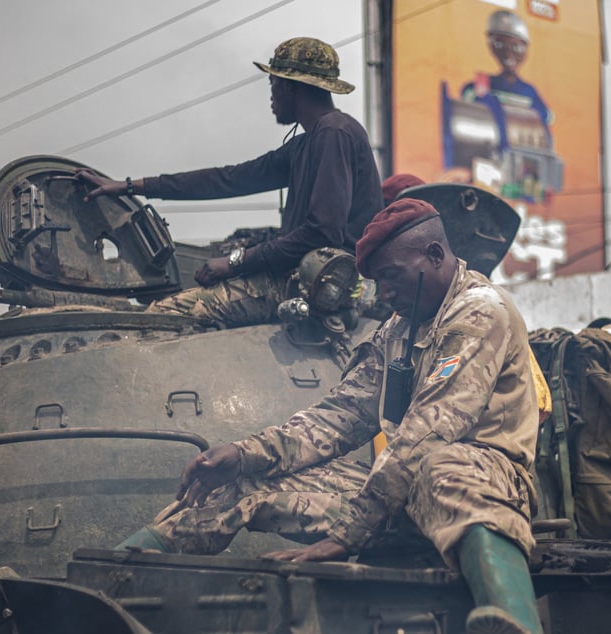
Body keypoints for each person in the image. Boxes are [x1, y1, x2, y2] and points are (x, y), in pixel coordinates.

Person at [117, 198, 544, 633]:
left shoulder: (480, 310)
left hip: (486, 486)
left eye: (392, 277)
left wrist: (345, 537)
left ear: (435, 255)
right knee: (242, 484)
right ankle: (116, 576)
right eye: (378, 283)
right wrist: (245, 454)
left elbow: (429, 433)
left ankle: (511, 616)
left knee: (442, 465)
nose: (386, 295)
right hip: (401, 493)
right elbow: (338, 416)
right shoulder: (399, 328)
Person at [77, 36, 383, 328]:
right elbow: (227, 179)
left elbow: (322, 232)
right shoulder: (307, 144)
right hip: (301, 279)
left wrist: (236, 262)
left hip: (320, 286)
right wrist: (131, 186)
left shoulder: (334, 133)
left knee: (165, 314)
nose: (271, 95)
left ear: (291, 87)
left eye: (273, 83)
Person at [461, 10, 553, 147]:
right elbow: (469, 107)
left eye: (516, 46)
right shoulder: (480, 85)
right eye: (500, 44)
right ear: (491, 46)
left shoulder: (529, 91)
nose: (508, 52)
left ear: (525, 50)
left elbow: (545, 118)